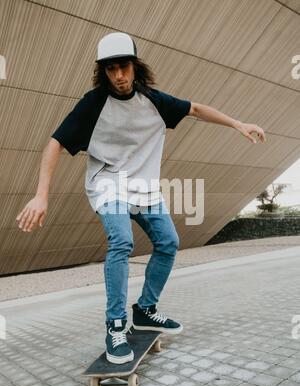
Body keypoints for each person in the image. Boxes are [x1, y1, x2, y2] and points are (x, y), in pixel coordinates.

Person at [16, 32, 267, 365]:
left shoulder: (154, 100)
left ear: (135, 66)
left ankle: (145, 310)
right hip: (108, 184)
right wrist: (40, 196)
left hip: (144, 187)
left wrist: (237, 123)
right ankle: (116, 325)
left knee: (168, 242)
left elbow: (196, 109)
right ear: (103, 72)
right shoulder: (93, 104)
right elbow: (55, 144)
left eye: (124, 67)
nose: (119, 76)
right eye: (111, 70)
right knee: (121, 242)